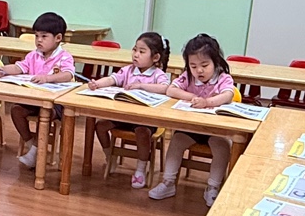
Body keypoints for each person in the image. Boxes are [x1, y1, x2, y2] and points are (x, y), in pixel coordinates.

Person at [0, 11, 74, 169]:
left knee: (45, 115)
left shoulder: (64, 57)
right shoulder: (33, 55)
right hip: (33, 99)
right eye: (36, 36)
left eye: (44, 36)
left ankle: (35, 152)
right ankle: (33, 146)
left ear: (58, 38)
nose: (39, 40)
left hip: (54, 102)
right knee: (16, 110)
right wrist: (3, 70)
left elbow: (68, 74)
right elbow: (19, 67)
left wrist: (47, 78)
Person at [148, 33, 235, 205]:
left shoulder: (222, 78)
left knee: (223, 147)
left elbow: (228, 94)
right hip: (191, 128)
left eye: (204, 65)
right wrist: (193, 97)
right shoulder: (188, 76)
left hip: (215, 130)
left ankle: (213, 187)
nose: (199, 71)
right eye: (193, 66)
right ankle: (168, 182)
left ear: (215, 62)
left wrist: (207, 102)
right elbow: (171, 90)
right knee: (176, 141)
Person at [89, 31, 171, 189]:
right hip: (123, 117)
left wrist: (141, 86)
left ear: (155, 57)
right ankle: (110, 156)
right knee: (100, 126)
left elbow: (165, 88)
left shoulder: (157, 74)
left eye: (142, 51)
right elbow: (112, 79)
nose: (136, 54)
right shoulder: (128, 70)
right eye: (134, 49)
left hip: (145, 120)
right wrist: (97, 84)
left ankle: (140, 169)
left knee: (142, 132)